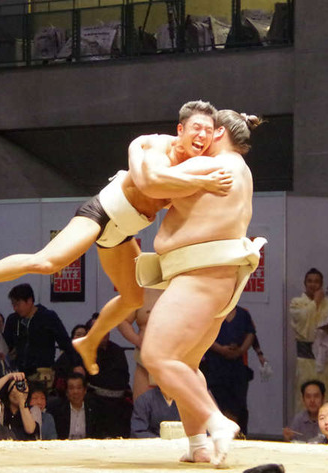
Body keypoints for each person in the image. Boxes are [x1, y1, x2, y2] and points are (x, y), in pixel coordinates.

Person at [0, 100, 232, 371]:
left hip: (123, 233)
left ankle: (90, 341)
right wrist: (202, 182)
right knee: (46, 262)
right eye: (197, 128)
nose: (202, 136)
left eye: (208, 131)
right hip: (101, 214)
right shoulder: (156, 146)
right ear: (180, 130)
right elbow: (151, 181)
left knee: (133, 298)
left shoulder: (197, 166)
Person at [135, 110, 266, 465]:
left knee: (156, 356)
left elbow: (149, 182)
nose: (203, 138)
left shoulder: (212, 165)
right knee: (185, 363)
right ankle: (198, 445)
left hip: (201, 275)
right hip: (216, 279)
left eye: (208, 130)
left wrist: (140, 146)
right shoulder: (241, 169)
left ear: (219, 133)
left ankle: (216, 422)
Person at [290, 268, 328, 413]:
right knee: (306, 398)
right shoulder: (297, 303)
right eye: (310, 281)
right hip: (306, 360)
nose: (313, 284)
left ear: (321, 284)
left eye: (316, 281)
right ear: (305, 283)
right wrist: (315, 302)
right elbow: (301, 320)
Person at [3, 283, 77, 388]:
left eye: (18, 304)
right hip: (19, 373)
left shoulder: (48, 317)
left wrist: (76, 364)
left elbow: (65, 342)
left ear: (29, 301)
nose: (15, 308)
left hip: (42, 373)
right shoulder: (13, 319)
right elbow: (7, 344)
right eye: (13, 305)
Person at [202, 305, 256, 435]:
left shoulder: (243, 314)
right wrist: (220, 349)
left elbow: (251, 333)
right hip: (215, 367)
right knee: (217, 403)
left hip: (237, 368)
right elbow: (203, 335)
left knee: (239, 405)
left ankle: (240, 436)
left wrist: (241, 350)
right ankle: (217, 435)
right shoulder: (210, 312)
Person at [118, 288, 161, 400]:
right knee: (142, 406)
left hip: (179, 363)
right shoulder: (141, 293)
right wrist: (139, 341)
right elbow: (122, 320)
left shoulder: (186, 290)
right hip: (145, 364)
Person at [0, 371, 40, 440]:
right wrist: (9, 376)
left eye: (22, 387)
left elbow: (30, 430)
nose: (19, 391)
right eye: (15, 387)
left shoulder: (34, 409)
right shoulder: (1, 409)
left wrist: (21, 401)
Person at [48, 372, 100, 440]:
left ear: (85, 390)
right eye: (71, 388)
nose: (75, 392)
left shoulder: (94, 408)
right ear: (66, 392)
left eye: (79, 388)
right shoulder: (57, 409)